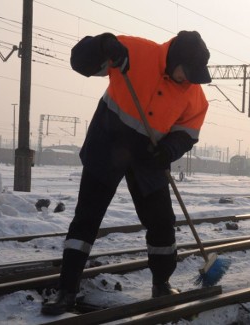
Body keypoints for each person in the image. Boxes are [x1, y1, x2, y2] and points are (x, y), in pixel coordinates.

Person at [41, 30, 211, 316]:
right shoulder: (133, 52)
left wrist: (168, 150)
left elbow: (188, 132)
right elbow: (79, 62)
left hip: (150, 156)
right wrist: (100, 45)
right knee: (87, 218)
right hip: (108, 143)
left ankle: (161, 285)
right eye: (187, 71)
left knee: (162, 222)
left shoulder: (194, 95)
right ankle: (66, 291)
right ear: (175, 60)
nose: (190, 79)